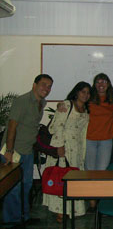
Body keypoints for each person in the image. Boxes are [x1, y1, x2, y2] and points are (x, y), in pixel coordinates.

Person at [1, 74, 53, 228]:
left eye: (49, 86)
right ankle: (12, 220)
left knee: (27, 185)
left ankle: (24, 216)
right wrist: (9, 150)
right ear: (34, 85)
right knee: (13, 188)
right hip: (14, 151)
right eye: (43, 84)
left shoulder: (41, 103)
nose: (46, 88)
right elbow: (12, 127)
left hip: (28, 151)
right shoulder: (22, 101)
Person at [43, 82, 90, 223]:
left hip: (77, 149)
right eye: (83, 92)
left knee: (74, 178)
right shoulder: (67, 105)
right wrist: (59, 146)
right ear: (76, 92)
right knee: (62, 178)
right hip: (65, 146)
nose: (85, 95)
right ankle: (60, 211)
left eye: (88, 93)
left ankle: (74, 209)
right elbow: (57, 125)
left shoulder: (85, 109)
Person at [86, 73, 113, 211]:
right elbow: (72, 101)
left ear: (108, 84)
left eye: (104, 81)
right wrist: (61, 105)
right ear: (94, 84)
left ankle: (99, 199)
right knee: (90, 172)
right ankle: (92, 203)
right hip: (89, 140)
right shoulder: (88, 97)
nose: (101, 84)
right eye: (98, 82)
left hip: (106, 140)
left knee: (102, 172)